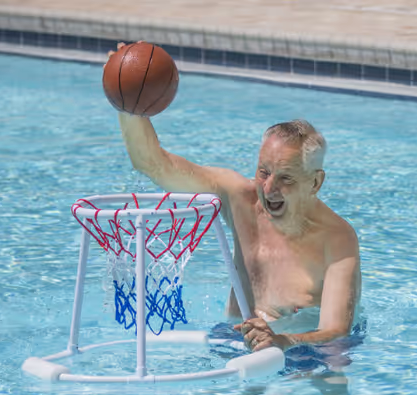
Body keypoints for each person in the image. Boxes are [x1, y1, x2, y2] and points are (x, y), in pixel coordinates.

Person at [108, 46, 361, 355]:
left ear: (315, 182)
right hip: (231, 338)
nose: (268, 189)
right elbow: (152, 164)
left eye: (286, 179)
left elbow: (337, 332)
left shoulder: (336, 239)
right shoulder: (238, 198)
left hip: (301, 355)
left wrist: (282, 342)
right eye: (264, 172)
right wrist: (127, 103)